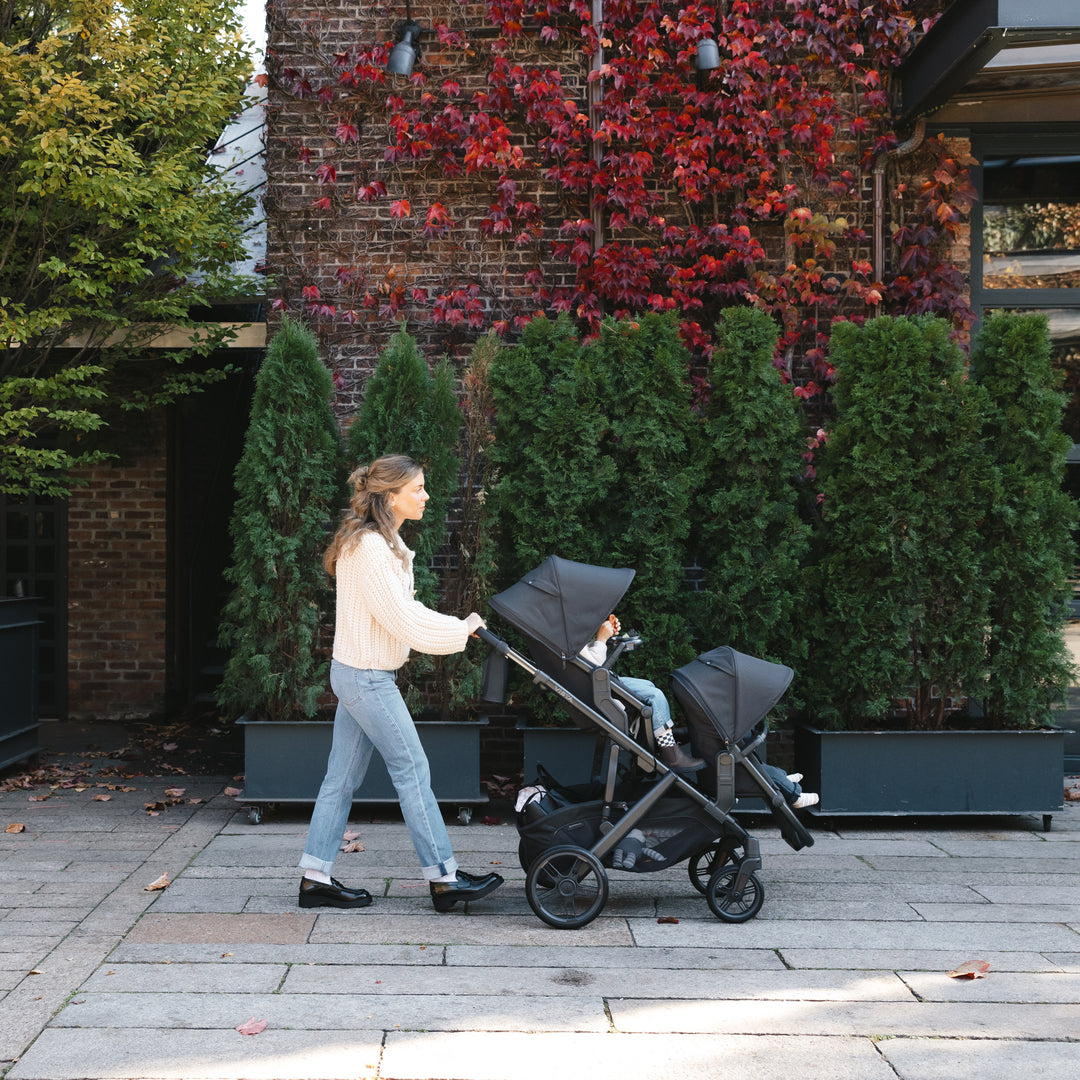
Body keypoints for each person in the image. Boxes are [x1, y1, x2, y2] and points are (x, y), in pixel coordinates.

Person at [298, 454, 503, 912]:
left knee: (341, 779)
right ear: (391, 497)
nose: (426, 496)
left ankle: (315, 878)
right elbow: (401, 619)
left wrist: (456, 626)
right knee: (412, 770)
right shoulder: (371, 547)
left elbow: (398, 611)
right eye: (418, 489)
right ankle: (444, 878)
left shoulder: (380, 543)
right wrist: (460, 629)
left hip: (357, 672)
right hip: (366, 678)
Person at [580, 614, 705, 771]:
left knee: (648, 685)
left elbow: (585, 660)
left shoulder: (561, 636)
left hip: (597, 685)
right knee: (654, 696)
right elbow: (595, 666)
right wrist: (601, 639)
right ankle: (671, 756)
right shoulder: (565, 636)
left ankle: (662, 739)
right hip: (599, 690)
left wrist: (605, 633)